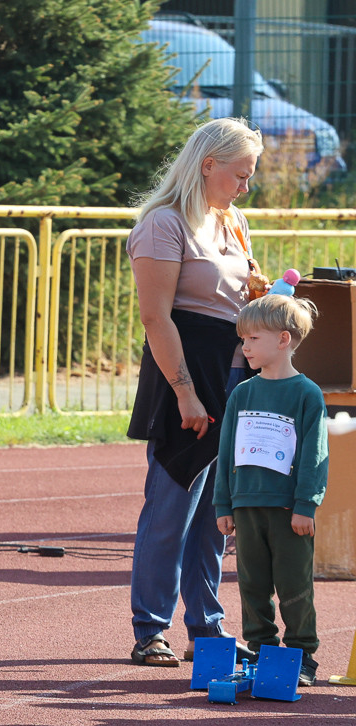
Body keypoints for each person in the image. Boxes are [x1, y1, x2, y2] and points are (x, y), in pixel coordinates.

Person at [126, 118, 264, 667]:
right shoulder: (164, 224)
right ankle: (150, 628)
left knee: (215, 512)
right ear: (208, 165)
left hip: (235, 373)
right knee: (171, 505)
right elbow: (156, 318)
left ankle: (206, 624)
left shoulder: (233, 220)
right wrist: (185, 394)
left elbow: (239, 292)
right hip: (185, 370)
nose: (245, 186)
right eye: (240, 174)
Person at [213, 293, 328, 686]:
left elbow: (315, 455)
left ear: (283, 340)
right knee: (252, 585)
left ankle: (302, 654)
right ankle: (262, 652)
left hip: (288, 511)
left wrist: (305, 505)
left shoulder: (307, 394)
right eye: (242, 339)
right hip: (245, 508)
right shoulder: (242, 394)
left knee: (294, 585)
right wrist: (222, 503)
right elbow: (227, 451)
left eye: (253, 339)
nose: (244, 347)